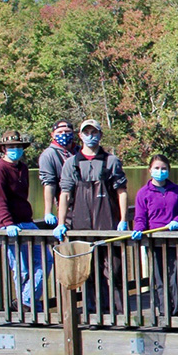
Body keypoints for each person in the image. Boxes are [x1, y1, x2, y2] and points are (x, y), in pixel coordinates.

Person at [54, 119, 130, 314]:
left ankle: (117, 312)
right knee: (86, 270)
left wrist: (123, 220)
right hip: (81, 226)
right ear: (80, 136)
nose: (90, 136)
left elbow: (121, 191)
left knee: (113, 270)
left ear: (100, 135)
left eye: (94, 132)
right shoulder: (71, 163)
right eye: (86, 133)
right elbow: (64, 194)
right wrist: (61, 223)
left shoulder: (111, 161)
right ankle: (92, 312)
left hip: (108, 225)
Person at [0, 130, 45, 308]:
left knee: (45, 261)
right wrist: (7, 223)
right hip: (8, 225)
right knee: (21, 269)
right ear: (3, 148)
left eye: (18, 146)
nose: (15, 149)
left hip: (27, 222)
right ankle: (26, 304)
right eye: (11, 147)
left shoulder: (23, 168)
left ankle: (25, 301)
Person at [131, 155, 178, 319]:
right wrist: (139, 229)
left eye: (163, 168)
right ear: (150, 170)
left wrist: (177, 220)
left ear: (168, 170)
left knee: (176, 275)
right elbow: (141, 217)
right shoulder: (143, 193)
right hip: (155, 240)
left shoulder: (176, 190)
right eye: (156, 168)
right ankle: (165, 310)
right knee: (159, 276)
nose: (160, 171)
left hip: (175, 239)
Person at [37, 120, 77, 226]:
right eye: (59, 132)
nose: (64, 135)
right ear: (52, 135)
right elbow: (49, 184)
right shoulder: (48, 155)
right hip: (66, 207)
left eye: (67, 131)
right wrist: (48, 212)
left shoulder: (80, 151)